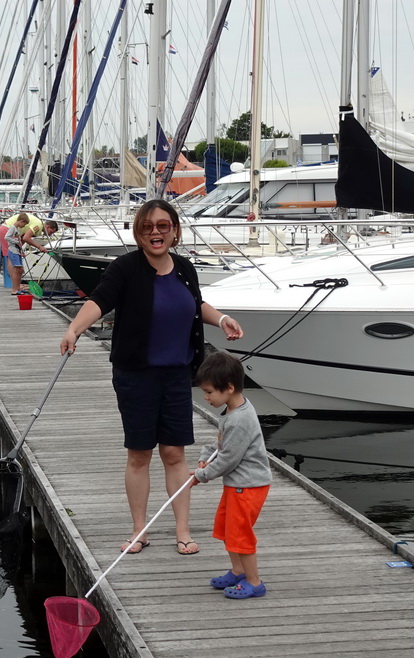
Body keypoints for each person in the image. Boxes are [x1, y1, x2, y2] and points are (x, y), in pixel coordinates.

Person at [59, 199, 244, 555]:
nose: (155, 232)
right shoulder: (125, 268)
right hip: (136, 375)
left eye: (163, 226)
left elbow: (194, 303)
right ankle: (139, 529)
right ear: (139, 233)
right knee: (139, 454)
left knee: (175, 454)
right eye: (148, 227)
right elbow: (100, 301)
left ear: (174, 230)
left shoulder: (185, 268)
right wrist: (74, 329)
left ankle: (183, 530)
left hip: (176, 374)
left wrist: (221, 319)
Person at [191, 351, 272, 599]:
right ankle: (238, 571)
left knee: (240, 533)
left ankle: (254, 582)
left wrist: (202, 475)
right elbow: (221, 446)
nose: (205, 398)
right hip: (237, 484)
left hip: (248, 486)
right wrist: (206, 454)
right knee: (227, 528)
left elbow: (228, 459)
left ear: (228, 387)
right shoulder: (232, 411)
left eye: (209, 392)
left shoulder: (239, 420)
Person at [4, 213, 30, 295]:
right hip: (13, 250)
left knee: (21, 270)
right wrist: (16, 242)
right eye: (24, 224)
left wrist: (21, 251)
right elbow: (7, 237)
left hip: (17, 251)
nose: (24, 226)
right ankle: (14, 289)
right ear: (21, 221)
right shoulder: (12, 228)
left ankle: (18, 287)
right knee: (16, 270)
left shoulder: (16, 229)